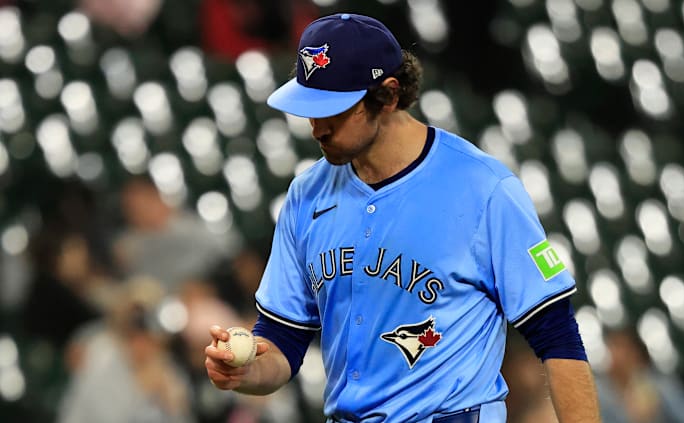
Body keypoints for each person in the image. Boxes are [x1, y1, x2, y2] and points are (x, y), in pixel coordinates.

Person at [205, 13, 600, 422]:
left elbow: (556, 335)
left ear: (388, 95)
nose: (316, 127)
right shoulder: (306, 197)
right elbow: (282, 342)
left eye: (333, 109)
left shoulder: (484, 188)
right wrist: (246, 371)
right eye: (310, 107)